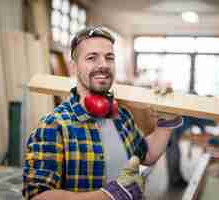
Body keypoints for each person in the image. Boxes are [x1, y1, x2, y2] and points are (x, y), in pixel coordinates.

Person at [22, 25, 181, 200]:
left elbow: (147, 154)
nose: (103, 65)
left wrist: (166, 122)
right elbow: (37, 197)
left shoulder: (121, 116)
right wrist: (107, 196)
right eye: (92, 58)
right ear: (74, 67)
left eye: (109, 57)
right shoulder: (54, 126)